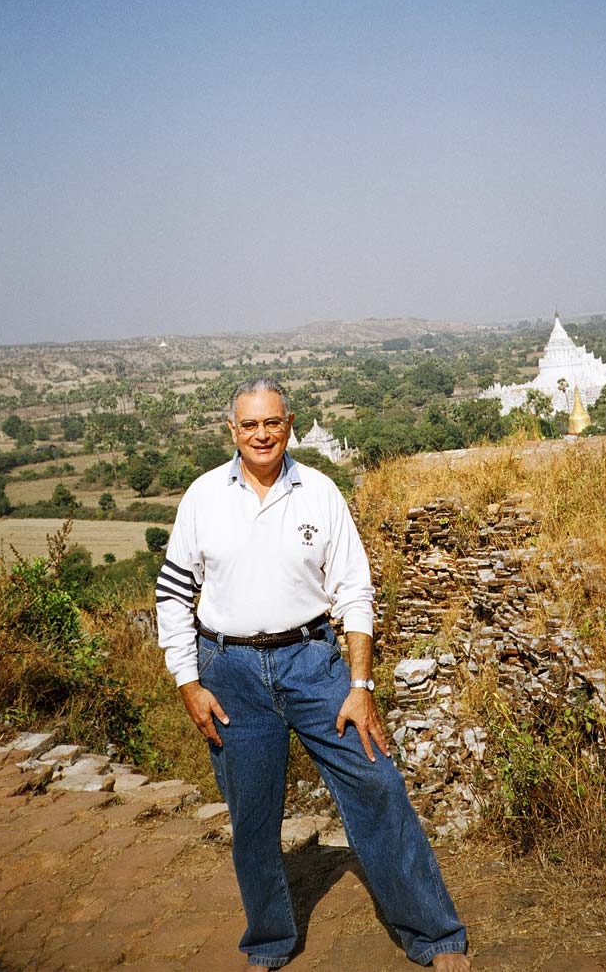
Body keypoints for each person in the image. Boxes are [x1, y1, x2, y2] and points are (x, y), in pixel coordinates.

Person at [156, 378, 469, 971]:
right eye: (249, 425)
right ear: (232, 430)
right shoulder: (203, 497)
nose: (261, 435)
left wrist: (360, 686)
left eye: (272, 422)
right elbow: (173, 593)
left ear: (290, 423)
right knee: (252, 816)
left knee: (378, 786)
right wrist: (187, 682)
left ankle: (434, 935)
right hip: (230, 671)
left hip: (313, 661)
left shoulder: (319, 492)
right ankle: (270, 944)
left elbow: (354, 590)